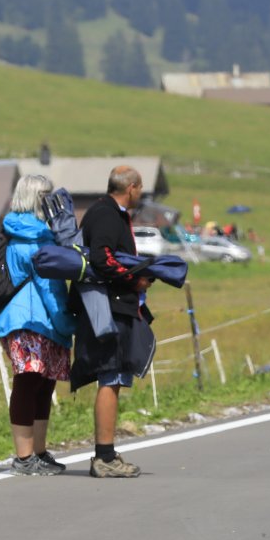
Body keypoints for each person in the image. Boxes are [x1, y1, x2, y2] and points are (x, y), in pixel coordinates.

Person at [71, 166, 155, 479]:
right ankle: (104, 456)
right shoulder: (107, 214)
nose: (141, 193)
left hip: (110, 306)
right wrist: (134, 280)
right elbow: (102, 258)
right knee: (112, 376)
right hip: (110, 309)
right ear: (131, 187)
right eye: (140, 188)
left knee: (115, 377)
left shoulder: (105, 211)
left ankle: (105, 453)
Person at [0, 174, 77, 475]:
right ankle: (25, 456)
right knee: (30, 384)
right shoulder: (37, 237)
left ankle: (37, 452)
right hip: (34, 319)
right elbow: (50, 287)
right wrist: (67, 323)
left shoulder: (16, 230)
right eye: (47, 196)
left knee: (41, 385)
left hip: (25, 319)